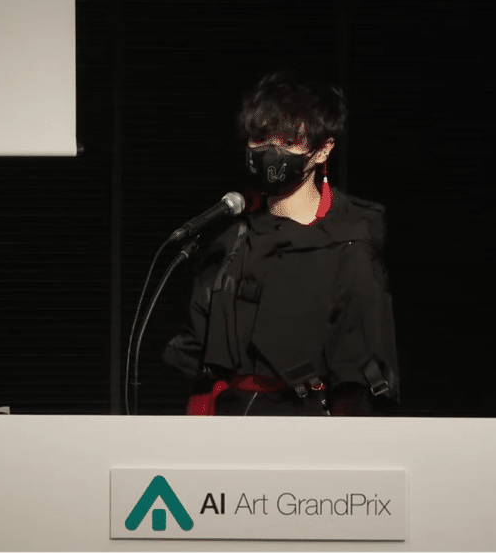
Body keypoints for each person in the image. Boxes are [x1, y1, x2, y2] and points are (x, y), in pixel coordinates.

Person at [163, 69, 400, 416]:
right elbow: (196, 355)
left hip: (303, 430)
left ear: (322, 150)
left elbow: (358, 379)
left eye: (288, 141)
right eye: (260, 139)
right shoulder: (230, 238)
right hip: (220, 430)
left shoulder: (351, 244)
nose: (270, 153)